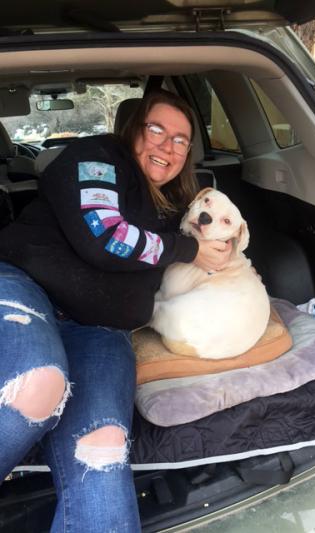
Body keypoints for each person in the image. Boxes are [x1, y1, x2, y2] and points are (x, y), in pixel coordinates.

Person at [0, 89, 231, 532]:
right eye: (157, 130)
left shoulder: (177, 206)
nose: (168, 146)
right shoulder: (96, 158)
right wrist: (189, 250)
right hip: (25, 288)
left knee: (102, 449)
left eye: (181, 139)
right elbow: (107, 238)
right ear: (133, 129)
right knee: (35, 385)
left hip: (99, 331)